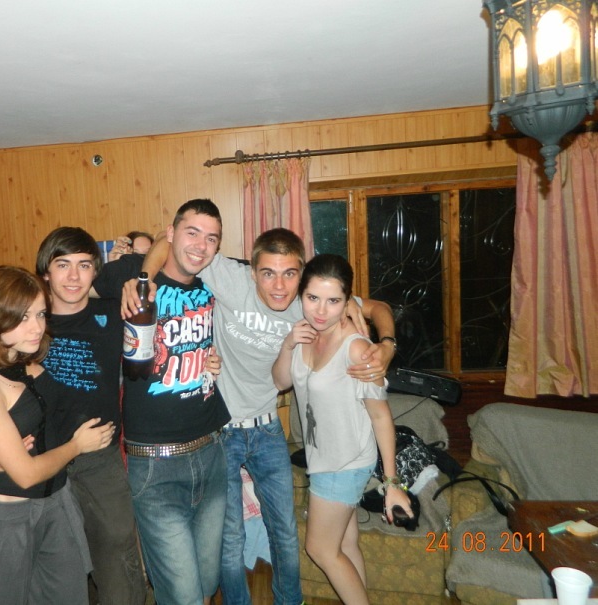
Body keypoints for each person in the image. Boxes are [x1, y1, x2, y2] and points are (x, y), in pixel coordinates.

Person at [131, 227, 396, 605]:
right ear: (251, 271)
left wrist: (386, 345)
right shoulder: (229, 277)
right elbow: (170, 240)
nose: (279, 285)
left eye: (289, 274)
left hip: (268, 428)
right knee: (230, 538)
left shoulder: (312, 301)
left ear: (301, 274)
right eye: (268, 273)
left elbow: (379, 308)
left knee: (285, 532)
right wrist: (143, 283)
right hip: (222, 431)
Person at [0, 265, 115, 605]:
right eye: (23, 317)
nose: (37, 327)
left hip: (56, 501)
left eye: (40, 314)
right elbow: (24, 474)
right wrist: (77, 446)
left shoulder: (22, 357)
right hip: (8, 516)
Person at [92, 199, 229, 605]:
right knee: (184, 595)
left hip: (211, 453)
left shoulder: (213, 284)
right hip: (154, 466)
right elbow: (69, 292)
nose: (201, 246)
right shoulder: (130, 277)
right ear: (171, 234)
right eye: (192, 233)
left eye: (211, 239)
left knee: (207, 584)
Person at [271, 254, 412, 605]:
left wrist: (392, 484)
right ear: (301, 295)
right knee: (345, 545)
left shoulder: (358, 349)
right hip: (323, 459)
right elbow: (281, 381)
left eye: (333, 301)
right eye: (312, 298)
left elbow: (381, 417)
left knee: (320, 548)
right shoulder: (305, 332)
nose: (321, 310)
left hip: (345, 463)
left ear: (348, 302)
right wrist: (289, 343)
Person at [33, 226, 147, 605]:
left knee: (117, 553)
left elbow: (145, 264)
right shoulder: (30, 323)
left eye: (84, 266)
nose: (73, 276)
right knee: (55, 566)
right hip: (44, 460)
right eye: (62, 265)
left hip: (100, 458)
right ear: (45, 271)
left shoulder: (111, 312)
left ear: (95, 272)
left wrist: (110, 281)